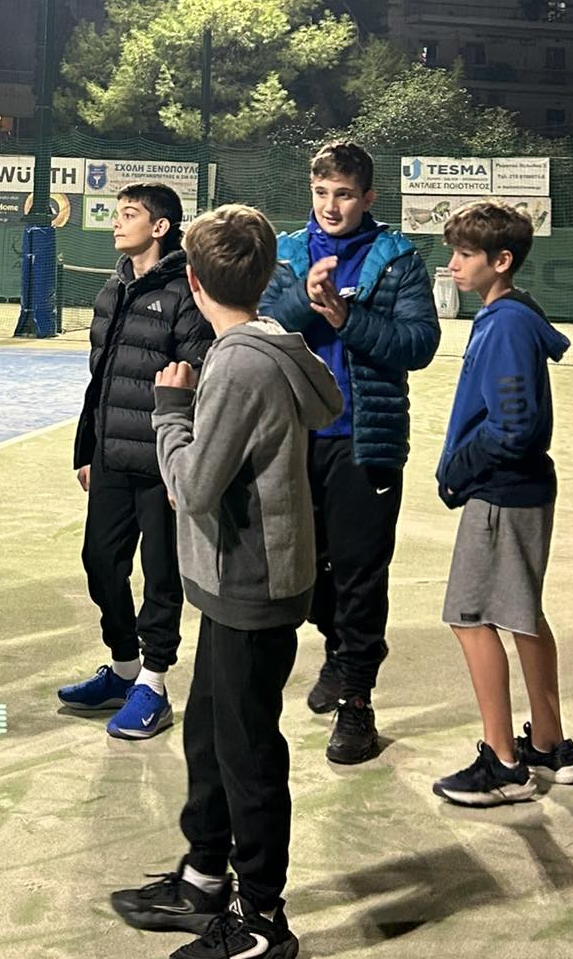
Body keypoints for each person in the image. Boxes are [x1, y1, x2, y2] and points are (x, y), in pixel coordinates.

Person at [111, 205, 343, 959]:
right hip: (232, 583)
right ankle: (205, 876)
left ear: (194, 280)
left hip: (252, 586)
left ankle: (263, 921)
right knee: (210, 735)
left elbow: (192, 486)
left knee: (248, 755)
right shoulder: (266, 343)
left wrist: (170, 410)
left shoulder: (240, 363)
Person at [260, 141, 440, 763]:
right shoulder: (286, 253)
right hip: (292, 441)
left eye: (343, 194)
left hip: (367, 442)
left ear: (368, 198)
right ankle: (345, 648)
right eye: (321, 193)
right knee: (300, 571)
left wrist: (346, 320)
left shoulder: (398, 260)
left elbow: (418, 343)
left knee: (362, 572)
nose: (331, 206)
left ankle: (357, 700)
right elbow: (261, 329)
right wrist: (305, 301)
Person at [431, 201, 573, 806]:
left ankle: (503, 763)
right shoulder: (508, 314)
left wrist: (458, 471)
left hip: (502, 494)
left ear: (502, 261)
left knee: (469, 617)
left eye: (466, 254)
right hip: (519, 491)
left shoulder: (506, 325)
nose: (454, 263)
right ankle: (548, 744)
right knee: (522, 615)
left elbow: (512, 427)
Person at [58, 184, 212, 739]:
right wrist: (87, 449)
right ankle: (124, 667)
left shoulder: (186, 292)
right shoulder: (112, 289)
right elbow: (99, 381)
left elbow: (195, 379)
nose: (117, 223)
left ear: (161, 227)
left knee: (161, 576)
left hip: (162, 464)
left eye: (128, 215)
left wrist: (182, 461)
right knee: (100, 562)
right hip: (110, 457)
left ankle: (154, 682)